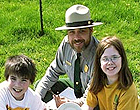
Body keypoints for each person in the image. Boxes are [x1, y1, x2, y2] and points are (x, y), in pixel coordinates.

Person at [35, 4, 102, 108]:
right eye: (72, 32)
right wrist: (35, 99)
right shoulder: (66, 43)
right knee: (40, 85)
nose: (76, 37)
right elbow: (53, 72)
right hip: (76, 88)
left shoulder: (100, 54)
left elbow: (90, 97)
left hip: (95, 97)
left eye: (82, 31)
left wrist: (70, 104)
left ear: (91, 30)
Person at [85, 36, 140, 110]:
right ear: (99, 62)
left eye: (114, 57)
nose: (110, 62)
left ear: (122, 59)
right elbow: (89, 106)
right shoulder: (97, 82)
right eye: (105, 59)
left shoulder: (128, 90)